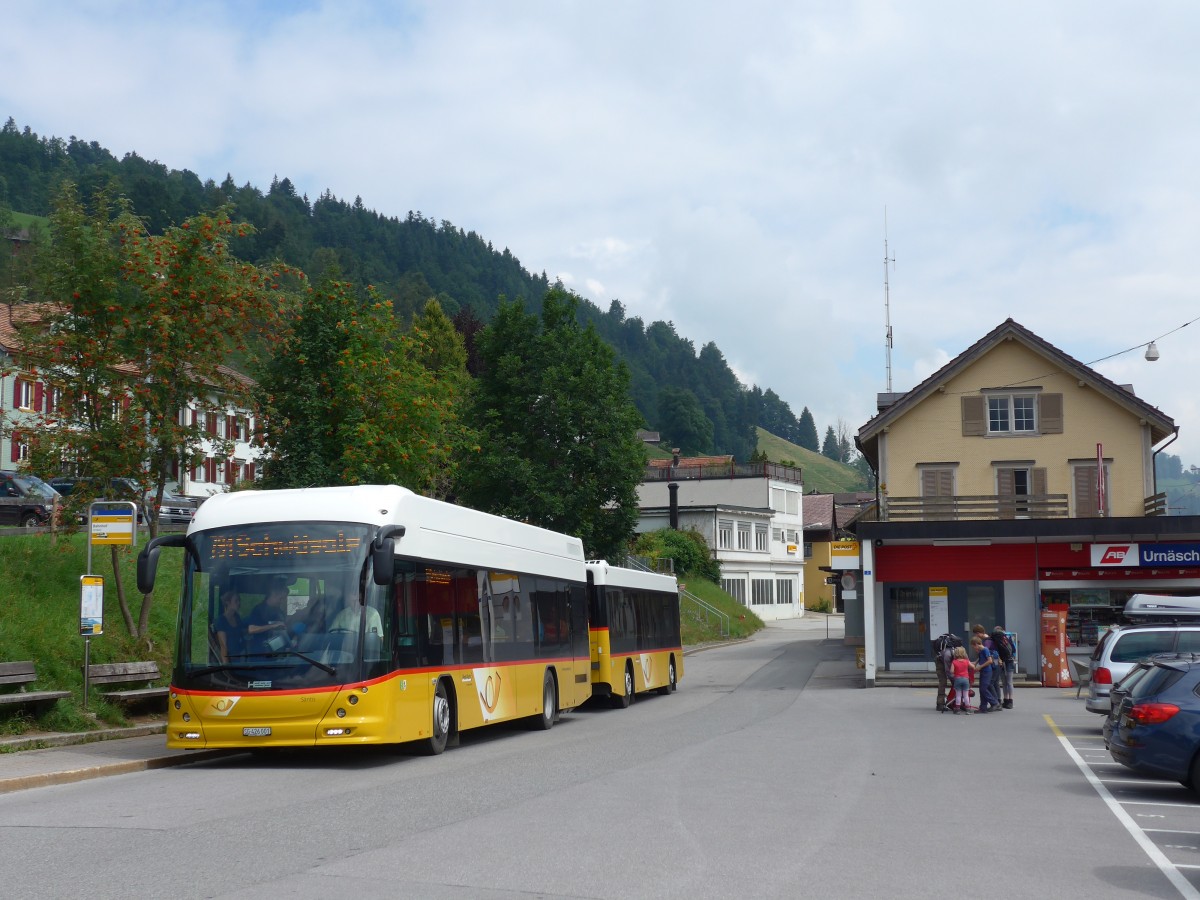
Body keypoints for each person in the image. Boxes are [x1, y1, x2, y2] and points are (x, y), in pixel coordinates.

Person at [246, 577, 291, 653]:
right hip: (260, 656)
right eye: (281, 598)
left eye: (284, 599)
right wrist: (273, 626)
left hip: (277, 655)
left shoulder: (279, 612)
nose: (282, 601)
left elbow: (282, 631)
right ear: (273, 594)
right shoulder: (259, 609)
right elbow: (251, 629)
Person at [214, 588, 245, 663]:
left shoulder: (237, 617)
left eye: (239, 600)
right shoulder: (221, 620)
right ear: (228, 602)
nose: (239, 603)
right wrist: (226, 668)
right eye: (236, 601)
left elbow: (242, 632)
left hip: (240, 657)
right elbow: (223, 647)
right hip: (230, 660)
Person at [971, 635, 1000, 712]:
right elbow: (980, 658)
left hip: (987, 671)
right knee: (981, 689)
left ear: (976, 644)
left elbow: (990, 661)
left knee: (984, 689)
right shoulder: (981, 651)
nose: (974, 649)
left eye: (974, 647)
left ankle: (994, 702)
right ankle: (983, 707)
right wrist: (974, 663)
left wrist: (980, 667)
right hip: (983, 671)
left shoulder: (985, 649)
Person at [992, 626, 1016, 709]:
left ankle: (1005, 700)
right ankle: (1010, 701)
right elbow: (1013, 649)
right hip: (1009, 661)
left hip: (1001, 661)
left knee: (1004, 682)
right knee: (1009, 682)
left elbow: (995, 651)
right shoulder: (1008, 638)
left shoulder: (995, 639)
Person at [950, 646, 974, 715]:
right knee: (966, 695)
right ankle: (968, 709)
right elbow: (973, 667)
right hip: (966, 679)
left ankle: (957, 709)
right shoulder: (966, 661)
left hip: (957, 679)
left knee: (958, 695)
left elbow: (951, 671)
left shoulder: (954, 662)